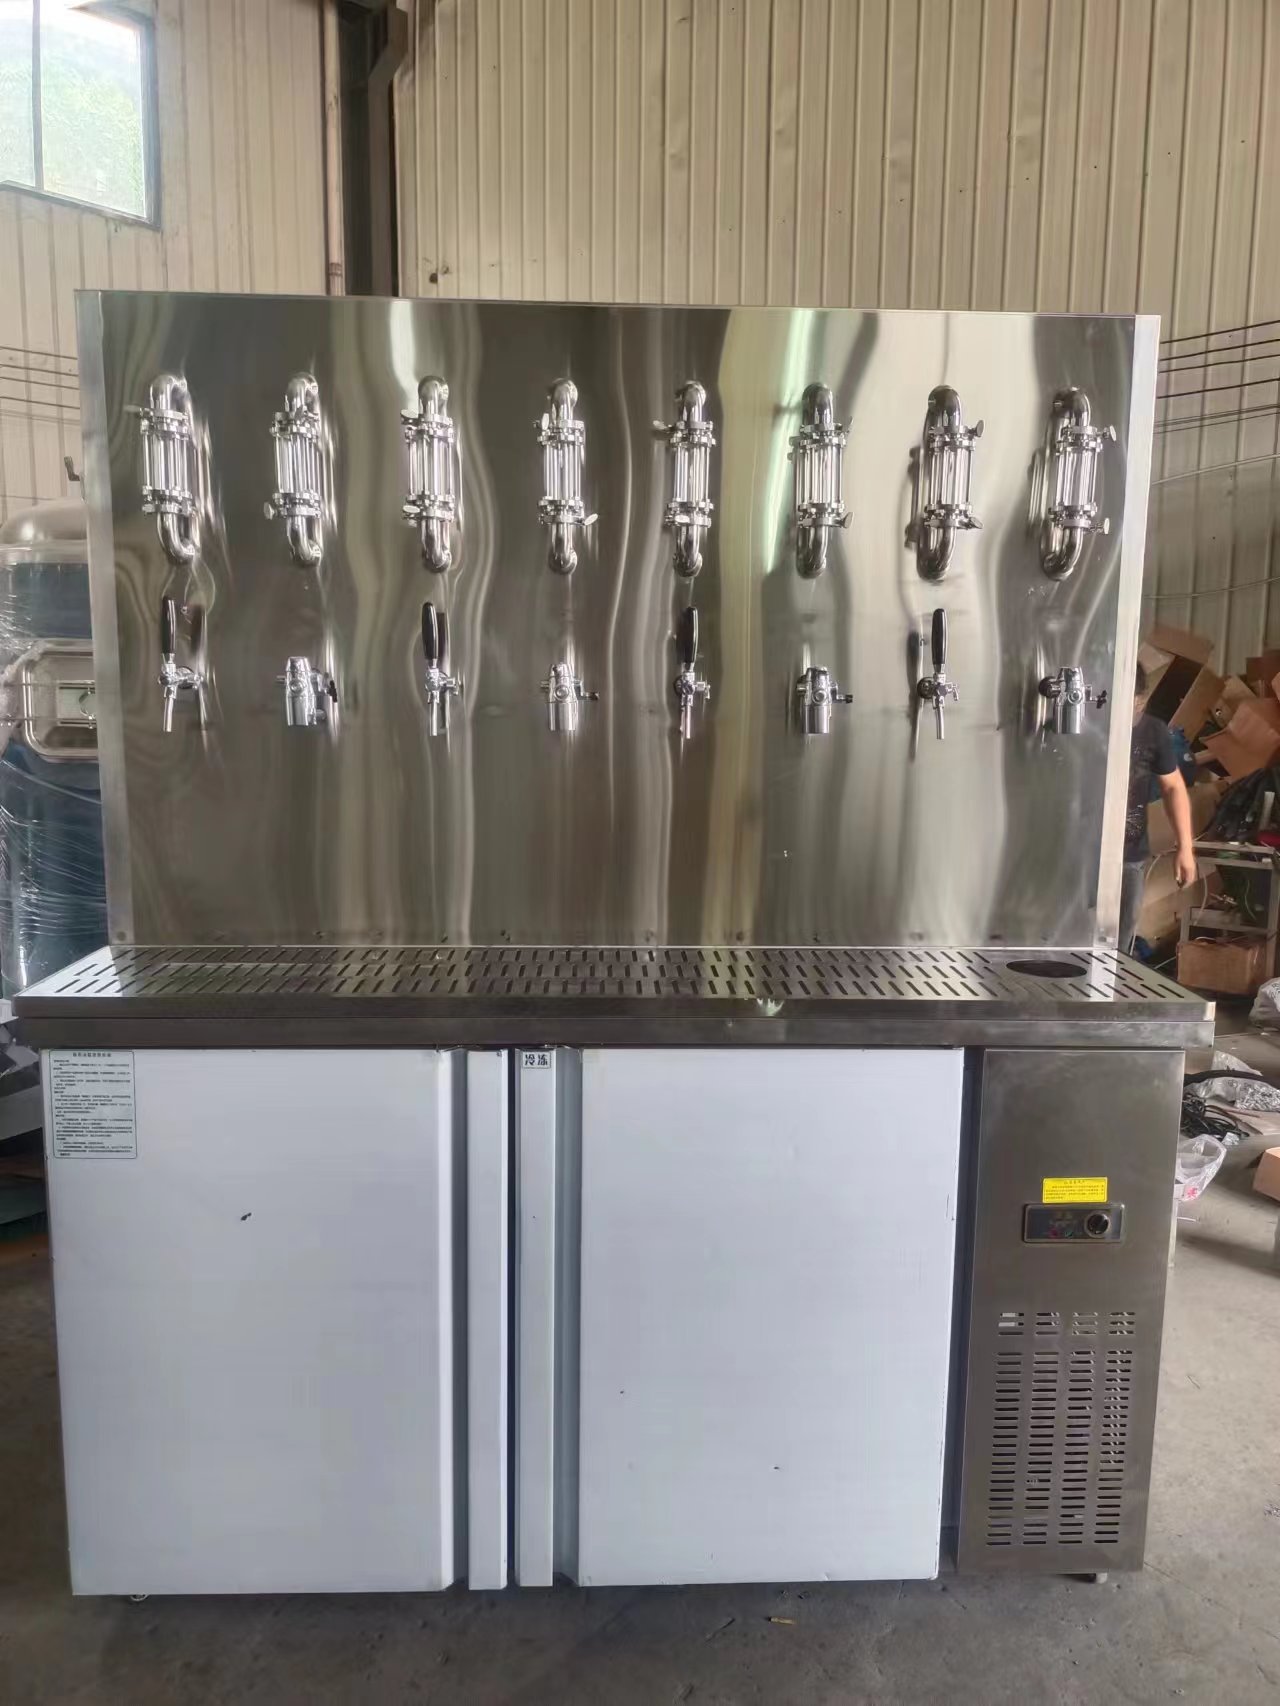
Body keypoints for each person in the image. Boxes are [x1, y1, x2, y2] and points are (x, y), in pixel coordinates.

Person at [1120, 662, 1196, 955]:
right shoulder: (1086, 726)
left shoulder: (1153, 730)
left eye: (1137, 704)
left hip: (1129, 857)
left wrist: (1185, 848)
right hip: (1080, 855)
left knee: (1118, 948)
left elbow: (1173, 787)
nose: (1133, 712)